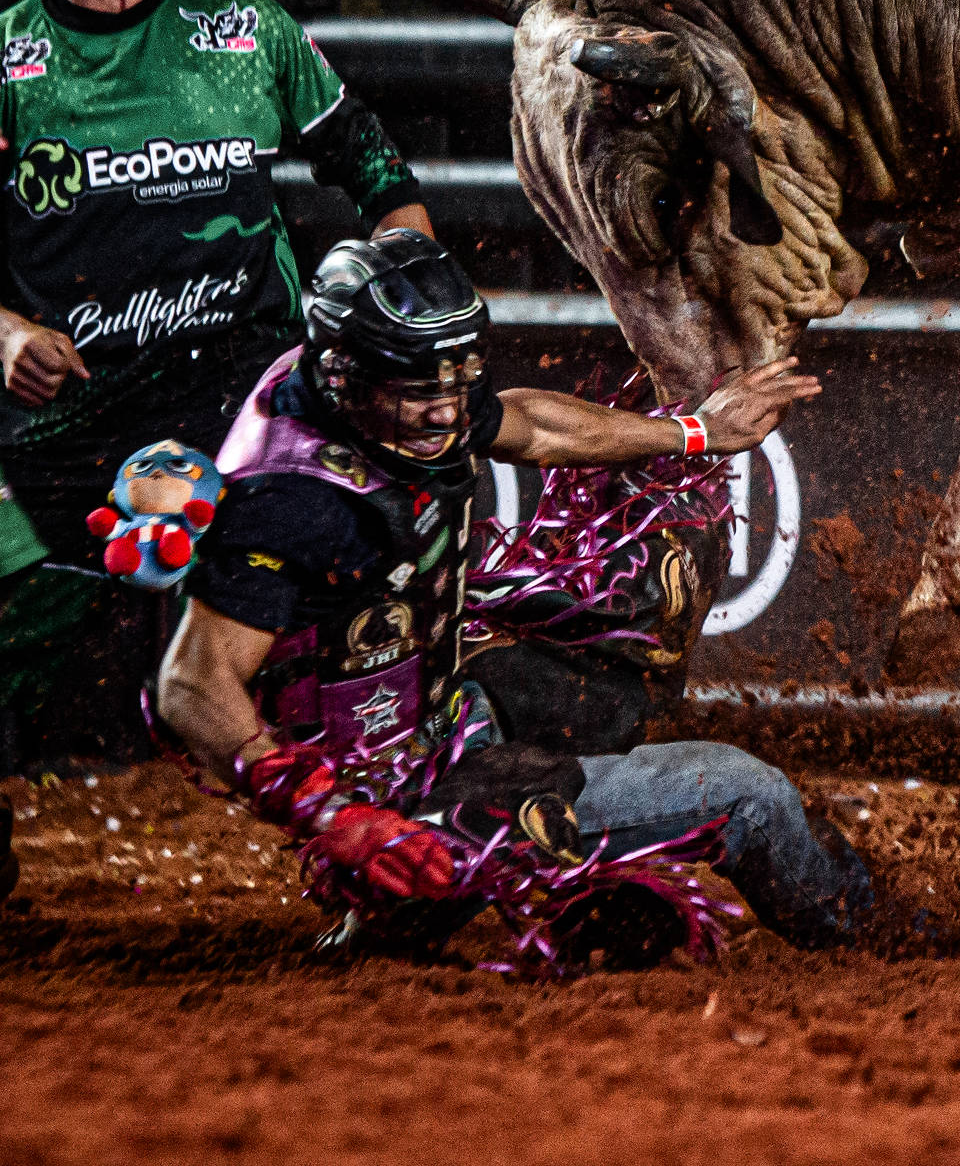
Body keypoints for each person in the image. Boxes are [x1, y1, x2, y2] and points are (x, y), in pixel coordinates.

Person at [156, 231, 877, 955]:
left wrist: (696, 430)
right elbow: (190, 683)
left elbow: (530, 426)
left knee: (636, 626)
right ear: (347, 377)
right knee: (747, 795)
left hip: (444, 706)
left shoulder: (375, 383)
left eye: (453, 385)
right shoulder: (290, 504)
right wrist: (332, 816)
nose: (445, 413)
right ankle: (880, 937)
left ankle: (559, 887)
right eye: (419, 394)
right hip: (393, 811)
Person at [0, 0, 434, 772]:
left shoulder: (245, 32)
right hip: (77, 425)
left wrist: (408, 279)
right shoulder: (8, 64)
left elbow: (376, 170)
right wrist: (8, 333)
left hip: (254, 403)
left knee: (378, 576)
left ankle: (389, 795)